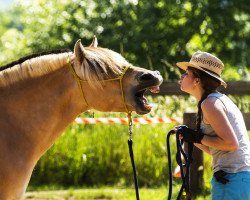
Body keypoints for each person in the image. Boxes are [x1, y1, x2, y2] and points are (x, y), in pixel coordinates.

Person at [173, 51, 250, 199]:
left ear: (197, 80)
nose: (182, 76)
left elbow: (231, 144)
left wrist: (198, 137)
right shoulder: (216, 100)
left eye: (187, 73)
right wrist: (192, 137)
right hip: (237, 177)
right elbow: (216, 149)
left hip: (230, 178)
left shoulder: (210, 104)